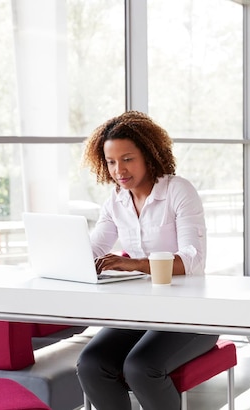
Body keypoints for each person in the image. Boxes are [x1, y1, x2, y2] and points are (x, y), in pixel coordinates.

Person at [76, 111, 218, 410]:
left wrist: (136, 263)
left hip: (194, 316)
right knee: (91, 363)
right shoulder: (116, 201)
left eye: (127, 159)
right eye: (111, 162)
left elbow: (192, 260)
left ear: (149, 156)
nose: (118, 170)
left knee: (141, 368)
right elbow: (94, 248)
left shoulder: (178, 191)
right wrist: (68, 257)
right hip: (142, 313)